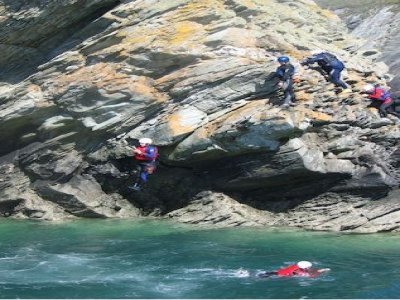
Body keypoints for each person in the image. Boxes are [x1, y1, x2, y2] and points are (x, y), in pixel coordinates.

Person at [257, 261, 330, 278]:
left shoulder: (295, 266)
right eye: (308, 267)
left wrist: (322, 270)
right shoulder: (298, 271)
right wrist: (322, 271)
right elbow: (310, 276)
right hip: (279, 276)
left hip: (275, 272)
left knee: (267, 274)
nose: (309, 268)